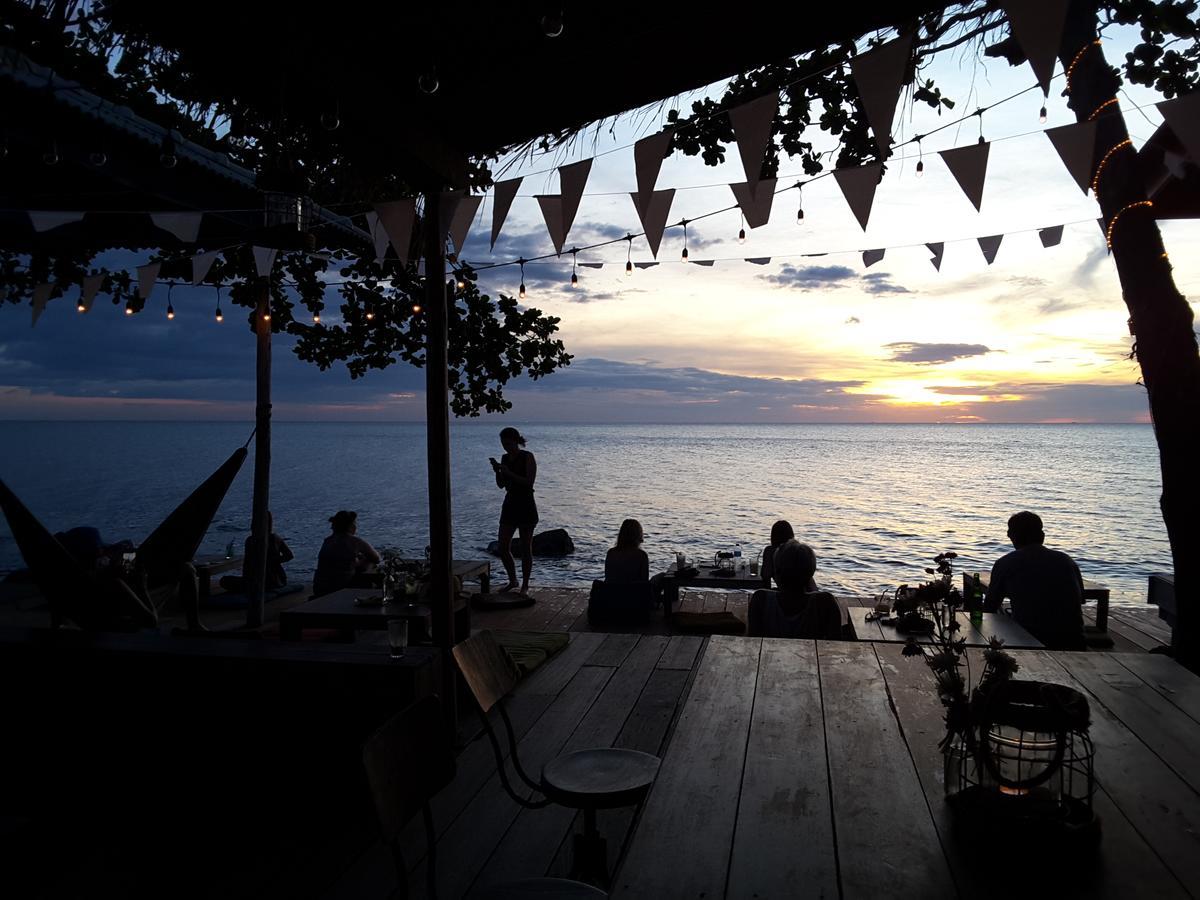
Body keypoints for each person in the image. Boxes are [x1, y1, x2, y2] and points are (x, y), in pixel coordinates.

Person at [984, 511, 1086, 651]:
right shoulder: (1066, 561)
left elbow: (990, 606)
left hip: (1030, 641)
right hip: (1074, 641)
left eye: (1010, 532)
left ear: (1014, 536)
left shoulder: (1006, 563)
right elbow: (1080, 600)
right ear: (1041, 536)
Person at [748, 539, 843, 639]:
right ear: (810, 574)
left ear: (777, 573)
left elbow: (753, 641)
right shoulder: (826, 603)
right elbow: (835, 643)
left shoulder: (761, 600)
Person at [492, 427, 537, 596]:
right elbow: (501, 485)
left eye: (508, 443)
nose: (505, 447)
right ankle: (513, 580)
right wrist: (498, 472)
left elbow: (529, 482)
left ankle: (525, 584)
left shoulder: (527, 457)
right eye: (503, 444)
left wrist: (508, 472)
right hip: (510, 503)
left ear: (516, 441)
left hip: (525, 504)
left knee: (526, 547)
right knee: (503, 546)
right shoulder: (504, 458)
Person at [219, 511, 296, 594]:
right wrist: (274, 561)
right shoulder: (276, 538)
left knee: (224, 581)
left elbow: (247, 564)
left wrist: (269, 562)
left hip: (262, 581)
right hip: (278, 580)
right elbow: (289, 556)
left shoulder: (251, 540)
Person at [312, 510, 381, 598]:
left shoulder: (327, 541)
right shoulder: (355, 541)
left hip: (319, 588)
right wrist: (364, 559)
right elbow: (377, 558)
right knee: (371, 562)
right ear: (351, 526)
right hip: (340, 587)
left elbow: (337, 564)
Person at [760, 519, 818, 592]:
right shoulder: (799, 551)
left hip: (786, 595)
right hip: (807, 593)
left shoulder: (770, 551)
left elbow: (765, 577)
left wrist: (769, 595)